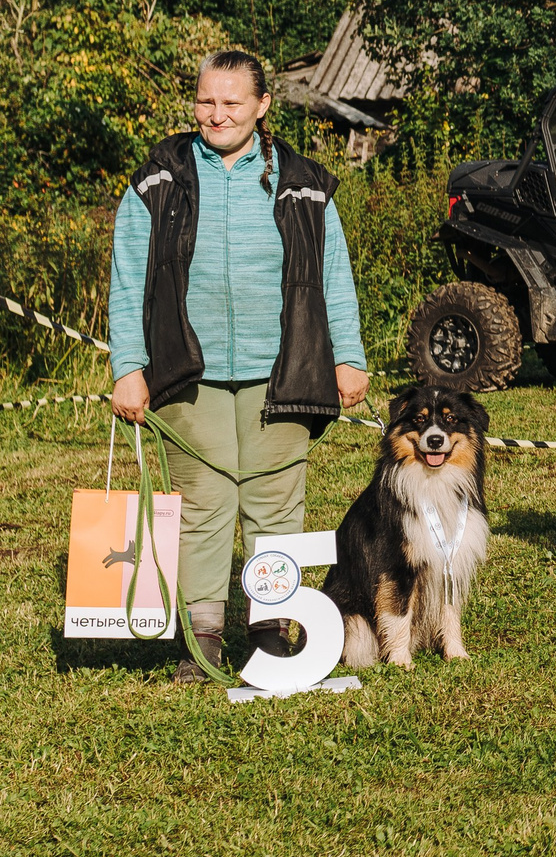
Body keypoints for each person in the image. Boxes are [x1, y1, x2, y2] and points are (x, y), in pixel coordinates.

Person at [106, 51, 370, 683]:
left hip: (283, 367)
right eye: (205, 101)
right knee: (203, 503)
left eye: (231, 102)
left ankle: (272, 633)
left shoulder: (305, 181)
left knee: (274, 503)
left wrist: (349, 355)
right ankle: (202, 644)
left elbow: (335, 275)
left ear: (261, 106)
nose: (215, 113)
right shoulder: (157, 179)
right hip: (186, 370)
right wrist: (128, 365)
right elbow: (127, 280)